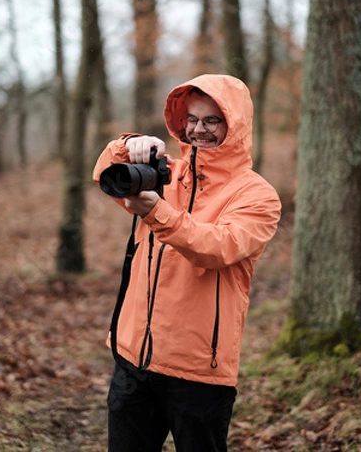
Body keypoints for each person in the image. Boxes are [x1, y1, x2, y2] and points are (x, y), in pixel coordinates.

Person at [93, 74, 281, 452]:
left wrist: (157, 212)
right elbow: (103, 173)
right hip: (134, 361)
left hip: (199, 373)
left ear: (236, 124)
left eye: (212, 120)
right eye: (192, 120)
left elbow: (217, 247)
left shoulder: (257, 195)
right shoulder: (167, 174)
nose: (199, 130)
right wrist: (130, 144)